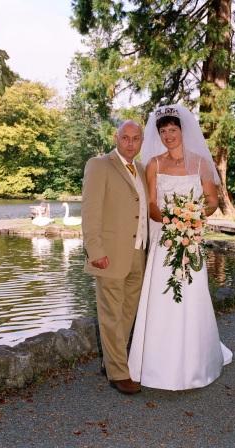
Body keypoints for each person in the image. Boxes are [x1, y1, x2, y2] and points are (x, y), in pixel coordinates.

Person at [128, 105, 232, 391]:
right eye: (163, 131)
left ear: (183, 131)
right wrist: (173, 220)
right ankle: (155, 363)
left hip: (191, 239)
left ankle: (195, 362)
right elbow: (150, 204)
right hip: (165, 238)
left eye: (172, 130)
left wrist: (193, 216)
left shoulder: (200, 163)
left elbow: (211, 201)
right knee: (162, 292)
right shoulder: (155, 165)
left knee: (191, 293)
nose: (168, 135)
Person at [81, 120, 148, 395]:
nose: (130, 143)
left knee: (127, 312)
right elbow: (90, 211)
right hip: (109, 254)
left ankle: (111, 361)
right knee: (111, 313)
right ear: (116, 138)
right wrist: (95, 251)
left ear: (142, 141)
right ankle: (119, 374)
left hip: (138, 252)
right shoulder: (99, 165)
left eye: (135, 138)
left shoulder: (142, 170)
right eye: (125, 138)